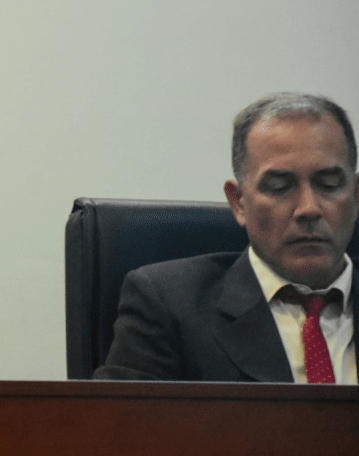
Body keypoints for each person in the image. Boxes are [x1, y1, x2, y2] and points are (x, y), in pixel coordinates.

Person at [96, 93, 358, 383]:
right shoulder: (167, 306)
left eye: (329, 185)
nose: (309, 209)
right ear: (239, 203)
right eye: (280, 187)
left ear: (356, 195)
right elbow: (120, 414)